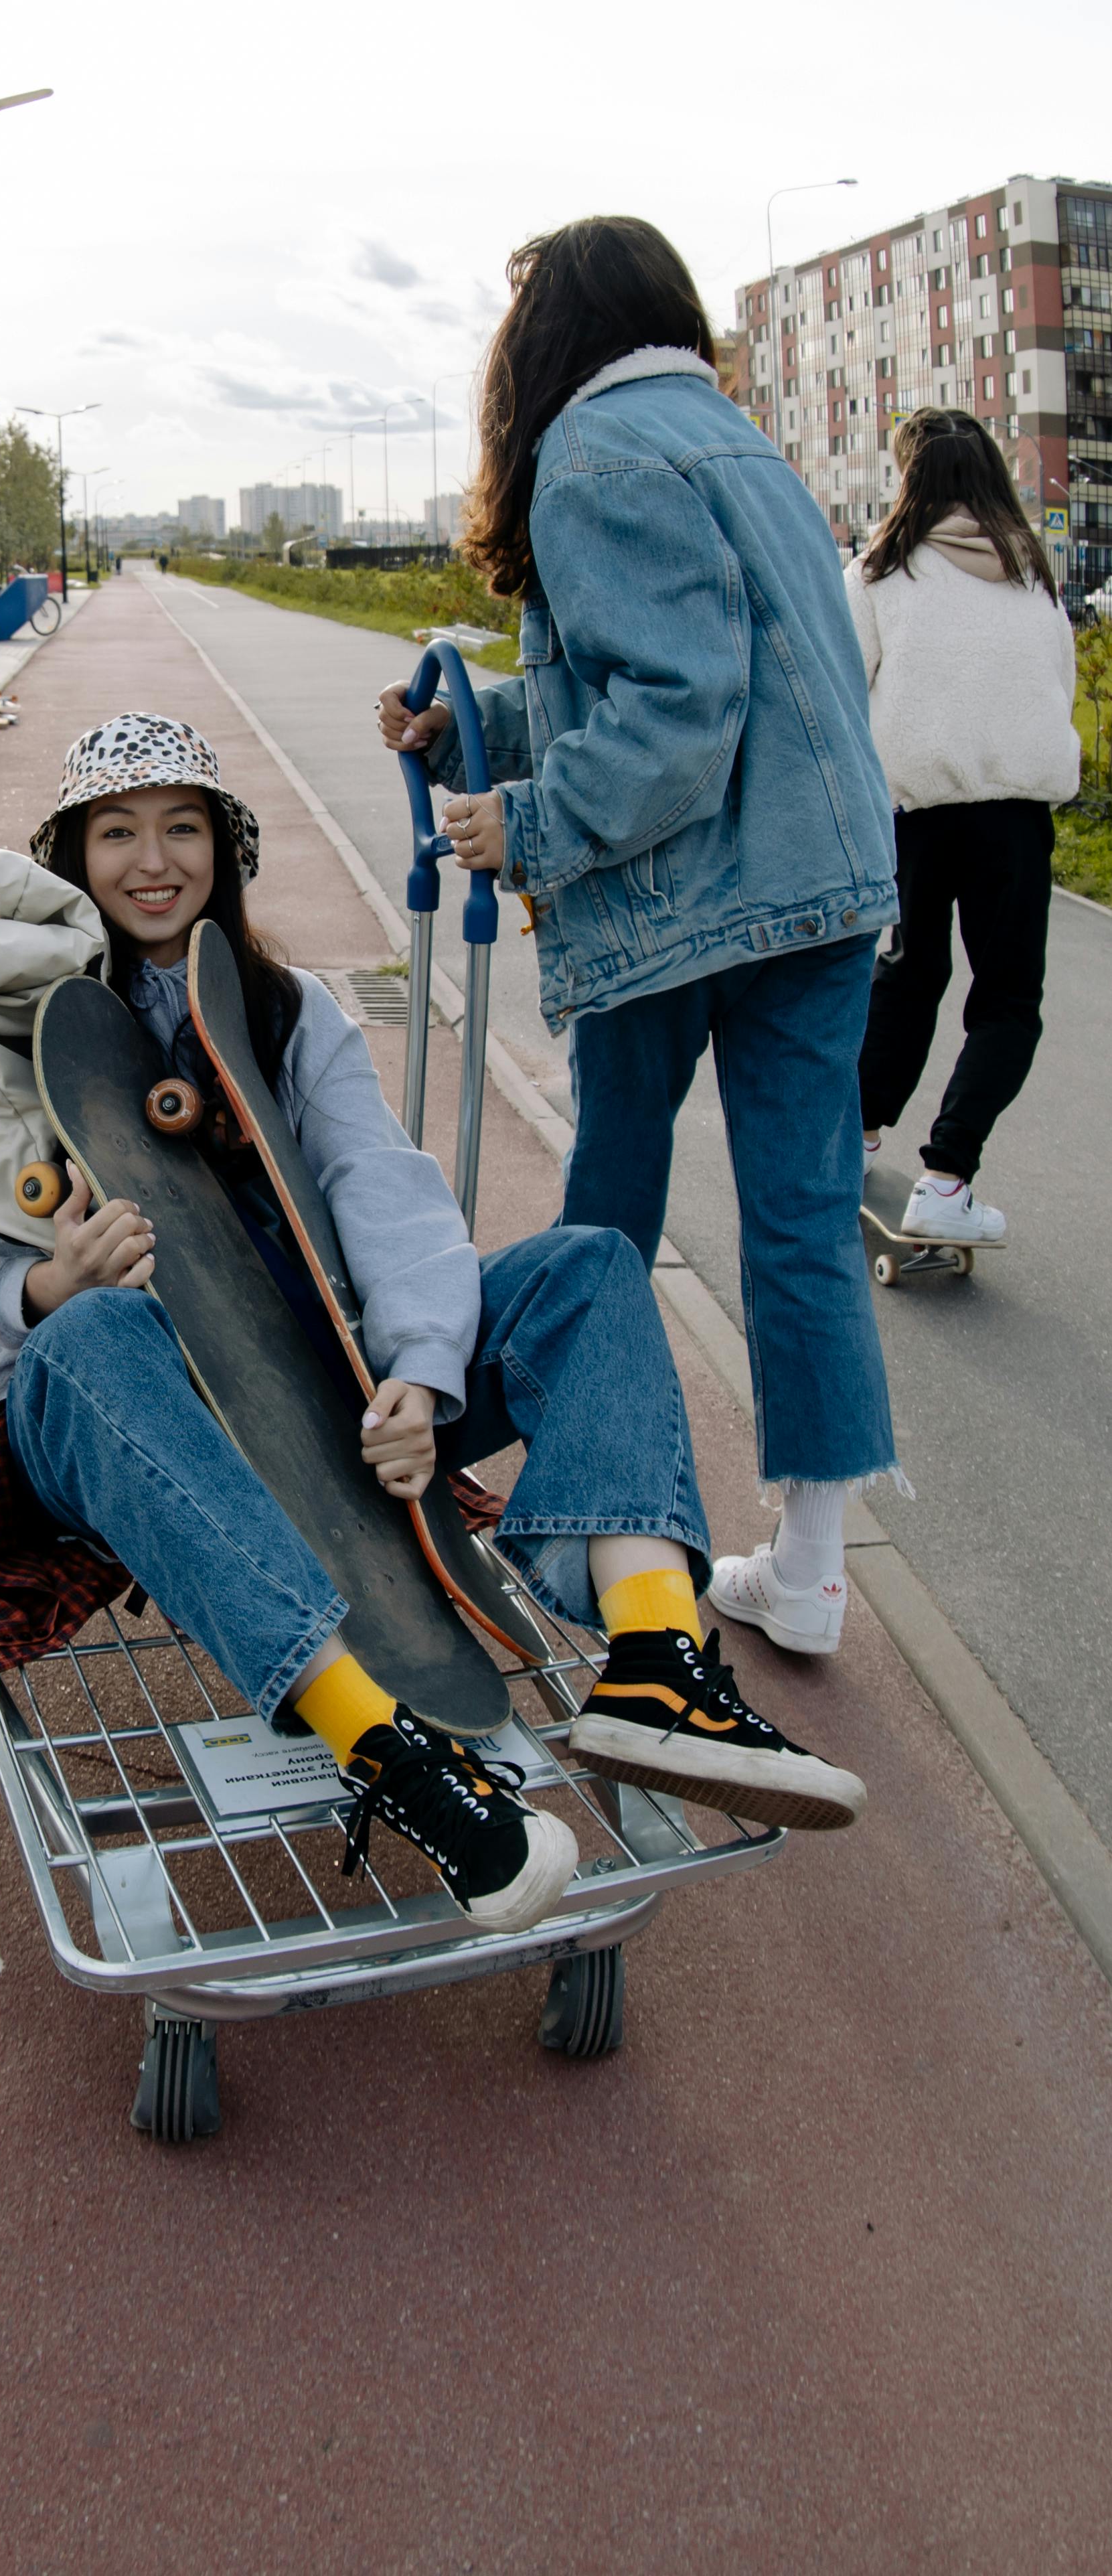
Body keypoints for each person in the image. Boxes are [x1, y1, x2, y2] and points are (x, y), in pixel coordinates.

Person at [0, 713, 864, 1938]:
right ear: (69, 852)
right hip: (127, 1404)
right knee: (84, 1342)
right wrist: (46, 1287)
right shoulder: (11, 1019)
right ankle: (393, 1758)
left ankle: (654, 1665)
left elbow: (382, 1187)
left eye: (180, 830)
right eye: (115, 834)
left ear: (223, 848)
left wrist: (417, 1374)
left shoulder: (287, 1009)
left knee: (587, 1266)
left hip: (325, 1384)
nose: (151, 861)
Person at [379, 216, 901, 1664]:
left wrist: (526, 823)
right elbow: (706, 674)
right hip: (825, 882)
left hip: (680, 901)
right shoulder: (741, 446)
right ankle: (803, 1567)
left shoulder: (589, 457)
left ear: (545, 334)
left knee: (606, 1211)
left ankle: (588, 1528)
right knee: (799, 1223)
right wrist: (469, 722)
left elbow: (672, 709)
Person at [851, 408, 1078, 1243]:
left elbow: (845, 689)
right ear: (990, 476)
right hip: (1015, 818)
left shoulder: (877, 572)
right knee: (1008, 1003)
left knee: (907, 980)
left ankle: (853, 1139)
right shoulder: (1033, 575)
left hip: (915, 813)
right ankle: (947, 1181)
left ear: (908, 479)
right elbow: (1060, 683)